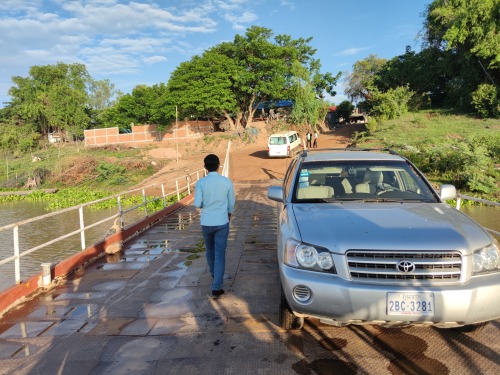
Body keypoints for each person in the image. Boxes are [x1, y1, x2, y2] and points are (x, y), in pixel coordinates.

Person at [194, 154, 235, 298]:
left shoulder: (200, 183)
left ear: (205, 167)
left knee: (209, 250)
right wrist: (229, 214)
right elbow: (231, 203)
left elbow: (197, 204)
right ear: (219, 165)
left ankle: (214, 275)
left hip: (206, 222)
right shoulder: (227, 182)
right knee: (220, 254)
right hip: (222, 222)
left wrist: (207, 205)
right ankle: (217, 286)